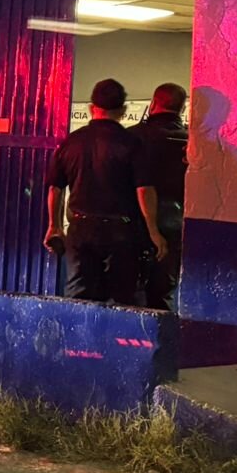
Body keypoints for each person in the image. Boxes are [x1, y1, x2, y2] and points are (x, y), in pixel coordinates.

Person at [43, 78, 154, 305]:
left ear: (91, 108)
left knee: (78, 297)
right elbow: (144, 190)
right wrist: (153, 231)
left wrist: (54, 226)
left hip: (80, 227)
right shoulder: (132, 143)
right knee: (121, 298)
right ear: (123, 110)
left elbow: (55, 187)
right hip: (121, 231)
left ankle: (77, 329)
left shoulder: (71, 142)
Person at [132, 82, 188, 309]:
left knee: (127, 292)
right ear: (182, 108)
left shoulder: (132, 137)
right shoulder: (191, 142)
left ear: (153, 103)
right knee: (163, 293)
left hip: (132, 223)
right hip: (176, 225)